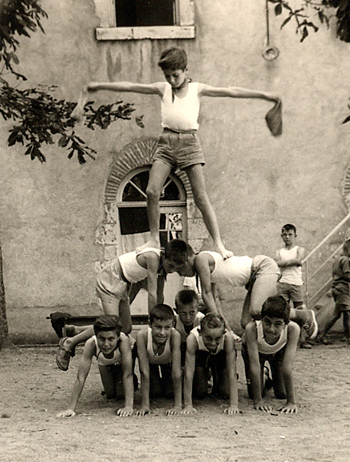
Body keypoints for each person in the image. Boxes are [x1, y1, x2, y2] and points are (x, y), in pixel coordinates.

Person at [72, 47, 280, 260]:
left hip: (189, 143)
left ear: (185, 70)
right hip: (166, 143)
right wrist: (96, 86)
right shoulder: (163, 89)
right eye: (167, 76)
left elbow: (231, 91)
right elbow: (130, 86)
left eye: (176, 75)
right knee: (152, 191)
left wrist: (265, 95)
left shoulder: (197, 89)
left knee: (200, 196)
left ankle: (220, 244)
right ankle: (154, 238)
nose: (171, 80)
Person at [55, 239, 189, 371]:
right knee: (111, 326)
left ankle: (75, 331)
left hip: (124, 284)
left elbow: (160, 295)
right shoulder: (153, 257)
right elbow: (152, 294)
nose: (172, 270)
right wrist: (152, 322)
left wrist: (161, 317)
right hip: (111, 278)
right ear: (164, 254)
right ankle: (69, 342)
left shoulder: (162, 268)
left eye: (175, 269)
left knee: (125, 327)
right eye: (171, 266)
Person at [175, 242, 318, 337]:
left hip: (262, 267)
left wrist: (216, 324)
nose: (180, 274)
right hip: (253, 279)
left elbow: (206, 295)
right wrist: (227, 331)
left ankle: (301, 315)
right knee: (246, 322)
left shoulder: (200, 259)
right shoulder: (204, 268)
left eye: (179, 269)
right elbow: (214, 301)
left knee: (256, 310)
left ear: (186, 260)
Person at [57, 315, 135, 418]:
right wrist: (71, 408)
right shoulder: (91, 344)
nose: (106, 344)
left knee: (121, 394)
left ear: (118, 337)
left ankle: (134, 381)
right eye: (102, 339)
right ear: (96, 336)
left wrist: (129, 406)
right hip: (105, 361)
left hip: (122, 361)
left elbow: (127, 374)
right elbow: (81, 377)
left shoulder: (123, 341)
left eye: (111, 339)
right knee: (110, 394)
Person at [242, 295, 300, 414]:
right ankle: (264, 375)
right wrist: (258, 401)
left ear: (286, 323)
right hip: (256, 354)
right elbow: (254, 366)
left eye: (277, 324)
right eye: (267, 322)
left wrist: (291, 402)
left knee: (282, 393)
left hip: (278, 353)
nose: (271, 329)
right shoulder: (251, 328)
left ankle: (268, 374)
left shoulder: (293, 329)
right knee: (254, 394)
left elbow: (287, 367)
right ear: (261, 319)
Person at [181, 313, 239, 415]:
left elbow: (232, 372)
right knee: (199, 392)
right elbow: (188, 374)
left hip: (219, 356)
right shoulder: (192, 339)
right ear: (200, 332)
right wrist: (188, 405)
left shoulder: (228, 339)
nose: (212, 343)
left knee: (225, 392)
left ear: (224, 333)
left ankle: (218, 378)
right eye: (208, 338)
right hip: (201, 356)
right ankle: (205, 375)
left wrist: (234, 405)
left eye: (217, 339)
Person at [135, 304, 182, 415]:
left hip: (168, 364)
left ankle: (164, 379)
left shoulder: (175, 335)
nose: (162, 332)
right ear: (150, 325)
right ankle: (157, 379)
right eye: (158, 327)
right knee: (154, 392)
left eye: (167, 327)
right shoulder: (142, 335)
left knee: (170, 393)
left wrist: (178, 405)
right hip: (151, 365)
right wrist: (145, 406)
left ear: (172, 325)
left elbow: (176, 372)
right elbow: (144, 371)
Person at [275, 223, 311, 348]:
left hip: (296, 284)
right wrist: (291, 262)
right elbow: (277, 263)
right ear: (281, 236)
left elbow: (298, 260)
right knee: (283, 312)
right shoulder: (279, 251)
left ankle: (303, 340)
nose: (287, 237)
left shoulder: (299, 250)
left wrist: (284, 263)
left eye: (290, 234)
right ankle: (285, 341)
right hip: (283, 283)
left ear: (295, 235)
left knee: (300, 311)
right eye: (284, 235)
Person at [317, 239, 350, 345]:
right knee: (345, 313)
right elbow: (347, 275)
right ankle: (322, 335)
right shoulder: (345, 260)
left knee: (341, 313)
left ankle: (345, 336)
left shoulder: (337, 259)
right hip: (343, 289)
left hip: (336, 288)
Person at [174, 289, 205, 364]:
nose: (188, 318)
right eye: (183, 313)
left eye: (192, 313)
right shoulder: (174, 321)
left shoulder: (201, 319)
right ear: (177, 311)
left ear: (198, 310)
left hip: (198, 351)